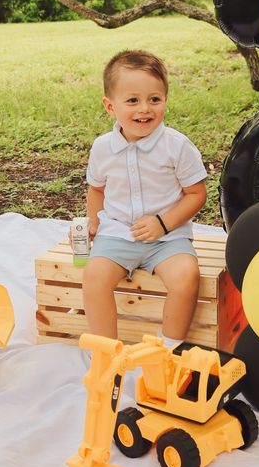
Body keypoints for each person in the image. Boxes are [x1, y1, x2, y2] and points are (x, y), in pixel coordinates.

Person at [81, 49, 207, 347]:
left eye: (155, 99)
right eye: (132, 100)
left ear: (165, 100)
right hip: (117, 233)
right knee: (94, 277)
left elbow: (196, 194)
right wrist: (94, 222)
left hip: (168, 238)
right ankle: (107, 351)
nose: (145, 109)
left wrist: (163, 224)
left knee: (186, 275)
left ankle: (169, 347)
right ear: (110, 107)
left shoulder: (176, 146)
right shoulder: (102, 148)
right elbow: (96, 188)